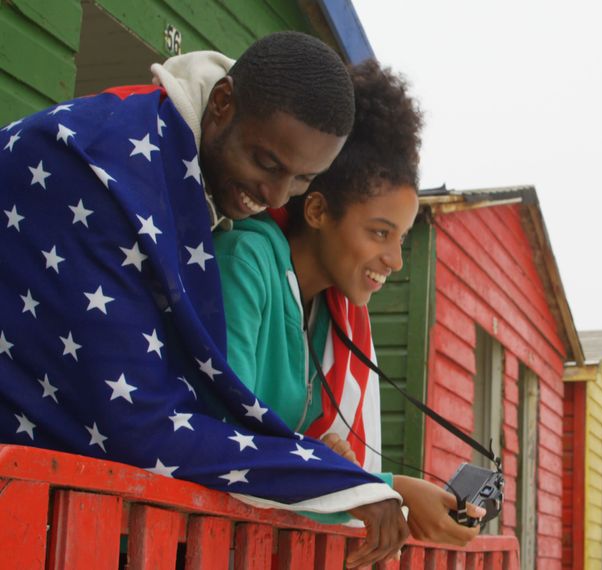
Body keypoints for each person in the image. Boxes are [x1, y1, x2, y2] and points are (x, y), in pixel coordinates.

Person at [0, 32, 405, 566]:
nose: (277, 197)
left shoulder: (178, 175)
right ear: (222, 102)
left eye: (303, 179)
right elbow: (139, 422)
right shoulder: (99, 171)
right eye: (267, 163)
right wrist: (339, 481)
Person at [215, 60, 483, 553]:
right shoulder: (246, 261)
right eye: (380, 232)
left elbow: (295, 448)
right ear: (317, 211)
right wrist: (388, 486)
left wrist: (331, 462)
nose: (395, 259)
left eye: (401, 237)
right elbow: (226, 439)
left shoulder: (335, 316)